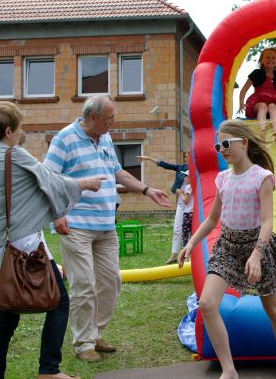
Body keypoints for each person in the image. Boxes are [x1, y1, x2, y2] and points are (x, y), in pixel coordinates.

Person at [43, 95, 171, 362]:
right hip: (75, 225)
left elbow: (117, 172)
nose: (114, 122)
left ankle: (95, 332)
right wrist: (56, 215)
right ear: (93, 117)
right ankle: (83, 343)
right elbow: (47, 180)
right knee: (83, 285)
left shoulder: (106, 138)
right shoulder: (64, 139)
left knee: (111, 282)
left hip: (105, 224)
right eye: (109, 118)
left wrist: (147, 190)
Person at [0, 101, 105, 379]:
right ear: (7, 131)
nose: (21, 133)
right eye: (20, 128)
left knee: (4, 318)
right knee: (58, 302)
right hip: (18, 249)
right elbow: (50, 181)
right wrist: (83, 184)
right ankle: (49, 370)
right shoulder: (13, 155)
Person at [178, 119, 276, 379]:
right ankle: (229, 370)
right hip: (227, 247)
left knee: (272, 308)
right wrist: (191, 243)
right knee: (207, 304)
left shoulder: (262, 177)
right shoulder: (223, 179)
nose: (221, 149)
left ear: (243, 143)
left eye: (226, 144)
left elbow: (268, 221)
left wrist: (257, 254)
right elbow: (212, 220)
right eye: (217, 145)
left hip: (256, 245)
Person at [137, 153, 189, 264]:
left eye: (189, 155)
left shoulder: (199, 169)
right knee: (177, 229)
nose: (187, 158)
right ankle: (174, 255)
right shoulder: (181, 168)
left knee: (191, 232)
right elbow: (164, 164)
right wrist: (148, 158)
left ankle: (189, 257)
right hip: (181, 204)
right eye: (185, 156)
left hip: (194, 205)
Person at [237, 47, 276, 141]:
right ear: (262, 60)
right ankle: (262, 130)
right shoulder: (256, 73)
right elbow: (244, 90)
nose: (270, 59)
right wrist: (241, 103)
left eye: (273, 57)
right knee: (263, 106)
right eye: (267, 57)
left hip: (272, 101)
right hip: (258, 102)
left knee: (273, 106)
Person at [178, 170, 193, 252]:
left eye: (186, 176)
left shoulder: (188, 187)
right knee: (193, 234)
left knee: (185, 235)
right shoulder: (194, 186)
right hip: (194, 214)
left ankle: (185, 252)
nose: (184, 178)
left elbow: (186, 201)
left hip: (188, 214)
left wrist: (180, 194)